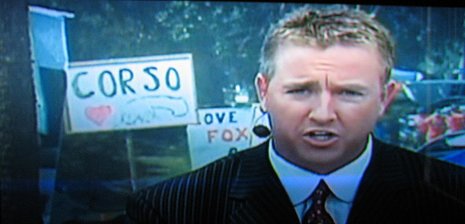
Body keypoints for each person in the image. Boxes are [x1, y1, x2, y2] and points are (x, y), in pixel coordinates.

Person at [126, 5, 465, 224]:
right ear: (264, 92)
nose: (323, 114)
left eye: (349, 93)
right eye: (301, 90)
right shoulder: (171, 210)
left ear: (384, 98)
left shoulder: (453, 195)